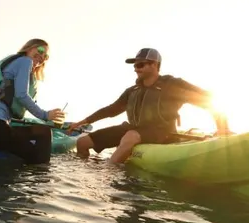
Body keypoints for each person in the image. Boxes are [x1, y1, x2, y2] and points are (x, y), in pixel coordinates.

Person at [67, 47, 230, 164]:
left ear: (154, 65)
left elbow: (209, 99)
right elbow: (111, 109)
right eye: (135, 65)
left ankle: (109, 177)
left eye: (140, 65)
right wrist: (84, 121)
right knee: (82, 142)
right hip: (132, 129)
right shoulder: (133, 90)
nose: (136, 69)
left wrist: (222, 128)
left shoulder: (172, 85)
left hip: (162, 131)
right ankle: (87, 169)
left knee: (130, 136)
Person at [0, 38, 66, 164]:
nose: (42, 56)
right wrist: (45, 115)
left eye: (46, 56)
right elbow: (22, 95)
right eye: (40, 50)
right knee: (43, 136)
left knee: (41, 133)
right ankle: (42, 177)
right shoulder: (25, 61)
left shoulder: (14, 65)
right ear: (29, 48)